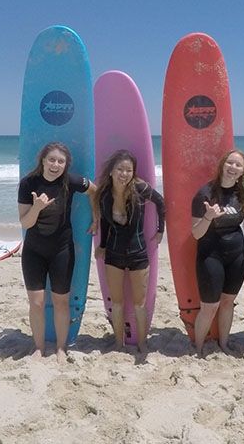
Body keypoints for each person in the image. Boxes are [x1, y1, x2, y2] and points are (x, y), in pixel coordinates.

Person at [17, 142, 96, 363]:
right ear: (43, 160)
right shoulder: (28, 184)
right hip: (34, 251)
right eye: (51, 159)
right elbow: (25, 222)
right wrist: (37, 208)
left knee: (61, 302)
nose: (55, 165)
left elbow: (94, 190)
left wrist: (96, 217)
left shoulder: (70, 181)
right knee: (37, 303)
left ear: (65, 165)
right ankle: (39, 348)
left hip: (62, 250)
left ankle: (61, 348)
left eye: (61, 161)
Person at [93, 150, 165, 353]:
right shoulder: (105, 194)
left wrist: (160, 231)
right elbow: (106, 223)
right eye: (120, 169)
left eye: (128, 170)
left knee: (139, 304)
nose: (124, 174)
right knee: (117, 303)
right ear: (111, 171)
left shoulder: (140, 189)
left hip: (138, 253)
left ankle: (142, 343)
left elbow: (160, 203)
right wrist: (103, 245)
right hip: (113, 254)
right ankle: (118, 343)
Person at [191, 149, 244, 356]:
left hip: (237, 255)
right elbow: (196, 234)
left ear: (243, 171)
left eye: (238, 165)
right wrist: (208, 217)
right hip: (211, 256)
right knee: (210, 306)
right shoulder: (205, 194)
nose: (233, 168)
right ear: (222, 165)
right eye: (230, 163)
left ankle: (224, 344)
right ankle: (198, 348)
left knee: (228, 302)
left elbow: (240, 224)